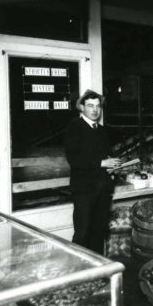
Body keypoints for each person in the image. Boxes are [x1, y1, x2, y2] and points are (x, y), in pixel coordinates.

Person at [64, 90, 121, 254]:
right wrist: (103, 163)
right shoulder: (74, 127)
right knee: (82, 234)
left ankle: (97, 274)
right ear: (82, 107)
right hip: (84, 191)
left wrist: (112, 168)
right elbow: (74, 159)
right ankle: (80, 272)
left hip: (103, 190)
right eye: (90, 106)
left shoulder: (103, 130)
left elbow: (106, 157)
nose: (95, 110)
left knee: (99, 233)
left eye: (98, 106)